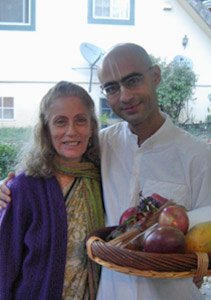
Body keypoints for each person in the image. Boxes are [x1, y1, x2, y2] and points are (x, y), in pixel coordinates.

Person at [1, 43, 211, 300]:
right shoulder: (102, 145)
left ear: (155, 76)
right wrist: (7, 189)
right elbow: (52, 165)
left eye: (133, 80)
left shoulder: (198, 157)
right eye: (112, 88)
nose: (124, 96)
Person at [0, 81, 104, 300]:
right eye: (60, 122)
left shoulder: (104, 179)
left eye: (81, 120)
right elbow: (4, 265)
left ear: (92, 127)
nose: (71, 131)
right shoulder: (23, 188)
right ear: (46, 130)